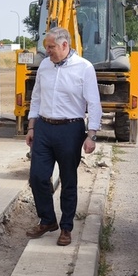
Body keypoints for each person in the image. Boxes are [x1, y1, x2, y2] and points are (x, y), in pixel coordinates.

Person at [25, 26, 101, 246]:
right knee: (38, 177)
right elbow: (36, 98)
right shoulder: (44, 67)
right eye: (46, 47)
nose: (47, 51)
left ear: (65, 45)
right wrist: (31, 127)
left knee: (68, 180)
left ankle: (66, 227)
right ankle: (48, 220)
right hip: (44, 128)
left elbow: (94, 103)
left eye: (51, 47)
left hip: (70, 130)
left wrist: (91, 135)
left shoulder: (84, 68)